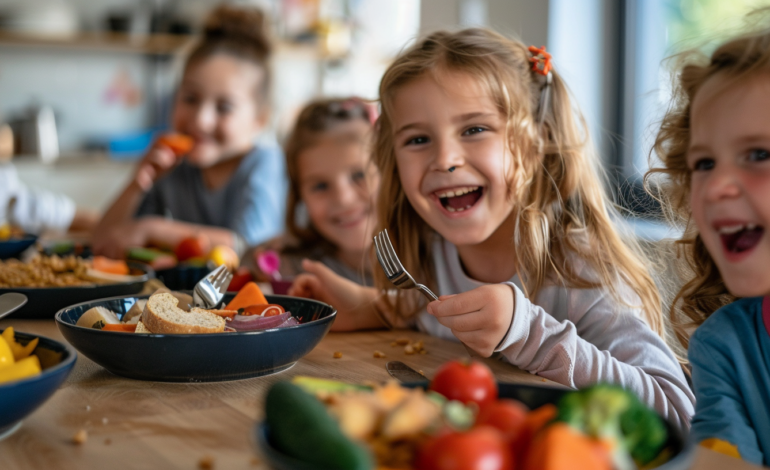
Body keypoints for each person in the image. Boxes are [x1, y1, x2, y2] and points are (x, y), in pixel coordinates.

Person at [289, 28, 694, 430]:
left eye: (474, 129)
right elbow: (429, 316)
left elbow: (675, 409)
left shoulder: (583, 268)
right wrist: (366, 305)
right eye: (417, 139)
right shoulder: (435, 253)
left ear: (535, 144)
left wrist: (530, 334)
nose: (445, 158)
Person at [646, 23, 770, 464]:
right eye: (704, 163)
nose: (716, 186)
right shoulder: (724, 345)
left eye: (759, 154)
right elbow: (722, 458)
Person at [93, 4, 287, 259]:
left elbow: (250, 248)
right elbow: (102, 241)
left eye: (224, 107)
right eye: (190, 98)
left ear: (259, 120)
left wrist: (153, 228)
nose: (201, 120)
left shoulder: (264, 162)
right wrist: (137, 183)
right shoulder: (176, 167)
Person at [246, 98, 379, 285]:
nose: (344, 198)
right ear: (300, 197)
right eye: (320, 186)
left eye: (359, 175)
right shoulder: (296, 269)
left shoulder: (432, 258)